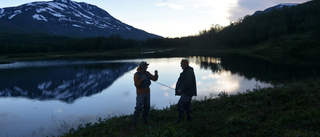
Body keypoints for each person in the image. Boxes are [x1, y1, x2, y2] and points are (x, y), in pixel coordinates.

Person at [133, 61, 158, 125]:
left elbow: (154, 79)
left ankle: (145, 119)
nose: (147, 67)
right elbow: (137, 85)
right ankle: (134, 121)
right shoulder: (136, 75)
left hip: (147, 92)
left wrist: (156, 74)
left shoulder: (147, 73)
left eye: (147, 66)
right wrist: (142, 79)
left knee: (147, 107)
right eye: (145, 66)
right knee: (139, 107)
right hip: (140, 93)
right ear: (142, 67)